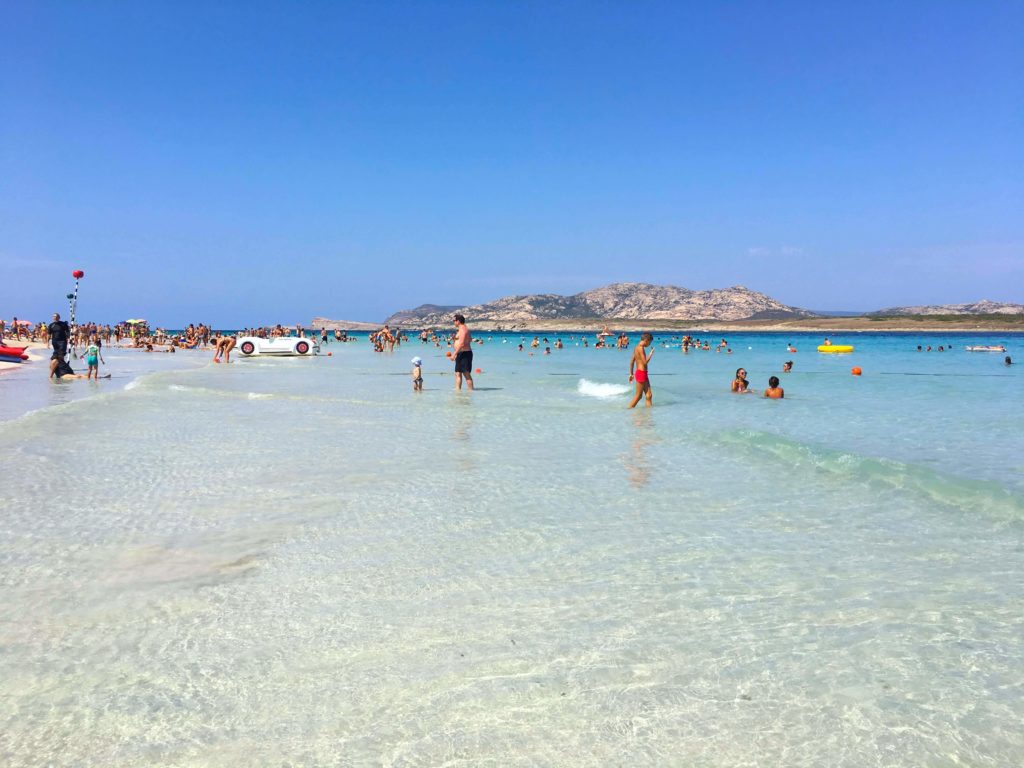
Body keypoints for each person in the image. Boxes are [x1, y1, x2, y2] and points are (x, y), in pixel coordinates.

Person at [628, 332, 654, 409]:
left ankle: (648, 414)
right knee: (638, 396)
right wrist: (651, 354)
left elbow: (632, 361)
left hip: (642, 373)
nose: (649, 345)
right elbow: (645, 362)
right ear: (646, 340)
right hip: (641, 373)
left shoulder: (636, 347)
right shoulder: (640, 348)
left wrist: (631, 374)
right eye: (649, 342)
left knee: (649, 395)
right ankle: (627, 411)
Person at [452, 314, 474, 391]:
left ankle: (470, 392)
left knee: (466, 373)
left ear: (458, 321)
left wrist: (454, 354)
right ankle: (458, 391)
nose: (453, 322)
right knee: (458, 373)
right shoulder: (461, 330)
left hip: (465, 353)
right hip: (460, 353)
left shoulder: (463, 329)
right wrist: (455, 339)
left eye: (454, 321)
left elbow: (462, 344)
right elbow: (470, 339)